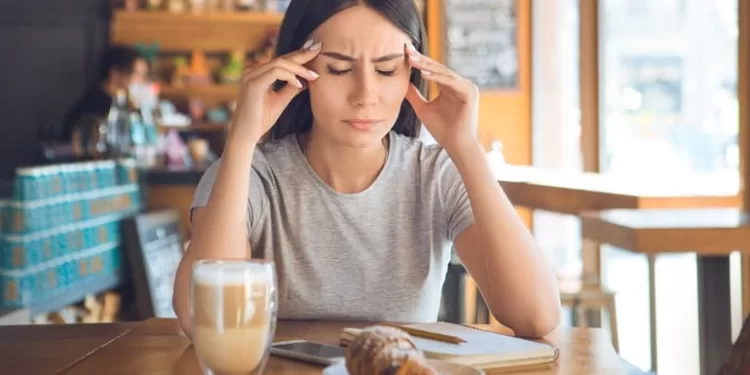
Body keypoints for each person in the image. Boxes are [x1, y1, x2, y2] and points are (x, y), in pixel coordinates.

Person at [173, 0, 561, 338]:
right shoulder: (250, 175)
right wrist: (242, 141)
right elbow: (204, 321)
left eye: (388, 70)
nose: (365, 96)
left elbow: (536, 316)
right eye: (339, 69)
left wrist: (466, 148)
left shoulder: (435, 175)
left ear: (413, 73)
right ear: (294, 70)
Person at [59, 46, 149, 142]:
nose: (142, 80)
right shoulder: (95, 104)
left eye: (144, 75)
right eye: (137, 74)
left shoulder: (123, 102)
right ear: (115, 72)